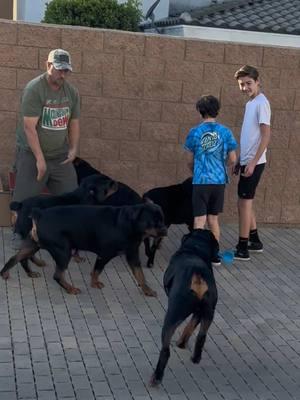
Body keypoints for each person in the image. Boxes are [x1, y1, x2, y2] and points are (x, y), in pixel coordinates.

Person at [12, 48, 80, 245]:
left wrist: (74, 149)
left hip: (60, 156)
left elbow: (74, 122)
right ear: (48, 65)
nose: (62, 74)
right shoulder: (35, 89)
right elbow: (29, 127)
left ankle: (68, 239)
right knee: (24, 201)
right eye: (59, 69)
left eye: (66, 70)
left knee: (71, 199)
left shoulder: (71, 92)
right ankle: (19, 236)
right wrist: (40, 160)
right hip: (32, 154)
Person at [184, 95, 237, 265]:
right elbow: (233, 159)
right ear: (217, 110)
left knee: (199, 220)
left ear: (200, 112)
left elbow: (189, 160)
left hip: (200, 181)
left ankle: (198, 253)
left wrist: (195, 170)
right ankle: (214, 255)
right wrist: (222, 166)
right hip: (219, 181)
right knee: (213, 219)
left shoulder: (194, 132)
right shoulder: (226, 132)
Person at [233, 65, 271, 261]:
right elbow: (249, 136)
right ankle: (254, 241)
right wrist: (241, 158)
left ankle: (242, 247)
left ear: (257, 82)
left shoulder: (262, 103)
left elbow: (265, 136)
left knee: (243, 203)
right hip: (247, 161)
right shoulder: (251, 103)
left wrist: (253, 162)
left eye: (248, 83)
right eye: (242, 84)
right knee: (245, 201)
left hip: (255, 163)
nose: (245, 87)